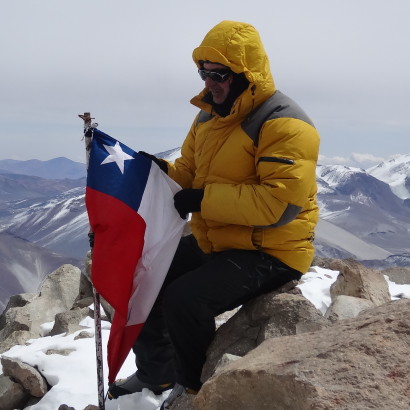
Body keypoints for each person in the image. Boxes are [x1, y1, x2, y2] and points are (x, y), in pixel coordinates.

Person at [108, 20, 320, 409]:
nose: (209, 83)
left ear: (246, 74)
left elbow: (280, 206)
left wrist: (203, 200)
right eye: (203, 73)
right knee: (145, 275)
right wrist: (158, 171)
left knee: (184, 299)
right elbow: (189, 173)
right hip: (220, 238)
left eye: (218, 74)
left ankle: (195, 390)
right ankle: (158, 370)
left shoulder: (284, 123)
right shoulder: (209, 117)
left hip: (273, 250)